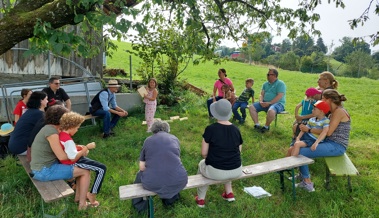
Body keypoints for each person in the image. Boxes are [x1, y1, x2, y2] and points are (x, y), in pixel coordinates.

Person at [288, 89, 350, 192]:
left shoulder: (339, 111)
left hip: (337, 146)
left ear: (329, 100)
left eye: (323, 99)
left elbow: (328, 132)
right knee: (299, 144)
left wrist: (308, 129)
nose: (321, 100)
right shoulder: (333, 112)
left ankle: (307, 183)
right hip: (328, 142)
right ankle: (302, 175)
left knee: (301, 152)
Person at [30, 105, 91, 210]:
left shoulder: (50, 129)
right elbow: (62, 156)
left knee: (79, 167)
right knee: (85, 171)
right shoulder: (51, 132)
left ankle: (78, 197)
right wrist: (82, 152)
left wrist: (76, 148)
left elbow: (62, 147)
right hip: (44, 170)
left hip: (42, 167)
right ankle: (82, 205)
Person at [195, 99, 243, 208]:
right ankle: (229, 193)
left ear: (215, 112)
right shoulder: (236, 129)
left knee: (202, 164)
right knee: (227, 162)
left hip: (216, 171)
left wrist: (213, 158)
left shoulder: (210, 129)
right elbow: (239, 151)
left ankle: (201, 199)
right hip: (236, 169)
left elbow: (203, 153)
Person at [132, 120, 187, 212]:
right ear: (167, 130)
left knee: (139, 175)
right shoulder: (174, 138)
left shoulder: (148, 140)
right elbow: (177, 159)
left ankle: (140, 206)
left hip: (153, 183)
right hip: (179, 180)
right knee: (170, 172)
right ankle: (171, 200)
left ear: (153, 131)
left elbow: (142, 167)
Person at [59, 111, 107, 207]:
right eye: (77, 128)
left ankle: (78, 197)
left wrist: (78, 148)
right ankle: (92, 194)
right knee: (102, 168)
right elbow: (72, 157)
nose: (77, 130)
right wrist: (86, 148)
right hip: (73, 162)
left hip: (71, 161)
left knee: (96, 167)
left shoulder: (62, 135)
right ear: (71, 126)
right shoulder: (68, 140)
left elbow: (68, 150)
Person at [249, 68, 286, 133]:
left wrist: (270, 103)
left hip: (277, 103)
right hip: (265, 102)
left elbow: (279, 96)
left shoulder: (280, 84)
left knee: (271, 111)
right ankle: (257, 125)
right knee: (251, 107)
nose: (267, 76)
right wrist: (261, 101)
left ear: (274, 75)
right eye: (267, 74)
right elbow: (261, 94)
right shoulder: (265, 84)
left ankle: (266, 127)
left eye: (269, 74)